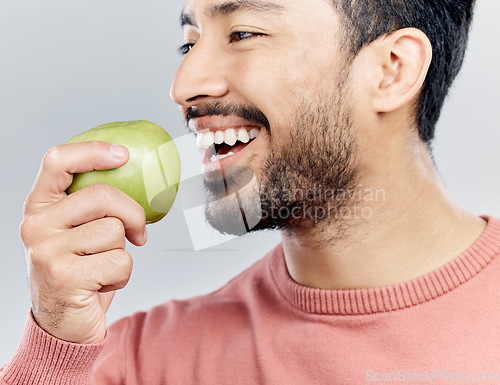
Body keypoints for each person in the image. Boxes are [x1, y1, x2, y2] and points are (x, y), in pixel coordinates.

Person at [2, 0, 499, 383]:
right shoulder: (139, 365)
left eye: (242, 33)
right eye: (189, 42)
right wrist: (56, 344)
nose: (184, 85)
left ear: (392, 69)